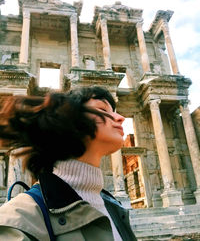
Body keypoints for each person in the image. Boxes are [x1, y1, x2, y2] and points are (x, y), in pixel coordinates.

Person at [0, 86, 137, 241]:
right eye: (103, 110)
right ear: (69, 118)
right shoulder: (18, 220)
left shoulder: (113, 207)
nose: (120, 117)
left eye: (114, 110)